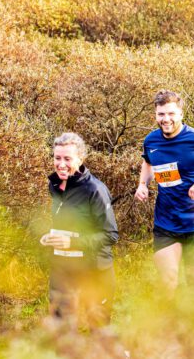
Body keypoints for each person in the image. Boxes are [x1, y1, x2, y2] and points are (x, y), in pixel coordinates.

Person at [134, 90, 194, 294]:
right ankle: (169, 325)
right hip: (166, 222)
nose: (166, 119)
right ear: (155, 114)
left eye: (171, 114)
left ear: (181, 113)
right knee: (167, 283)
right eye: (161, 114)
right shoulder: (151, 141)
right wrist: (142, 184)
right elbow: (147, 163)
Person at [41, 132, 118, 328]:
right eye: (57, 158)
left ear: (80, 159)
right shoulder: (55, 185)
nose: (61, 164)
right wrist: (51, 236)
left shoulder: (95, 190)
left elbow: (110, 235)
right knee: (61, 329)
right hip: (63, 268)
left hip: (94, 270)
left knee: (98, 331)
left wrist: (72, 242)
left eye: (67, 159)